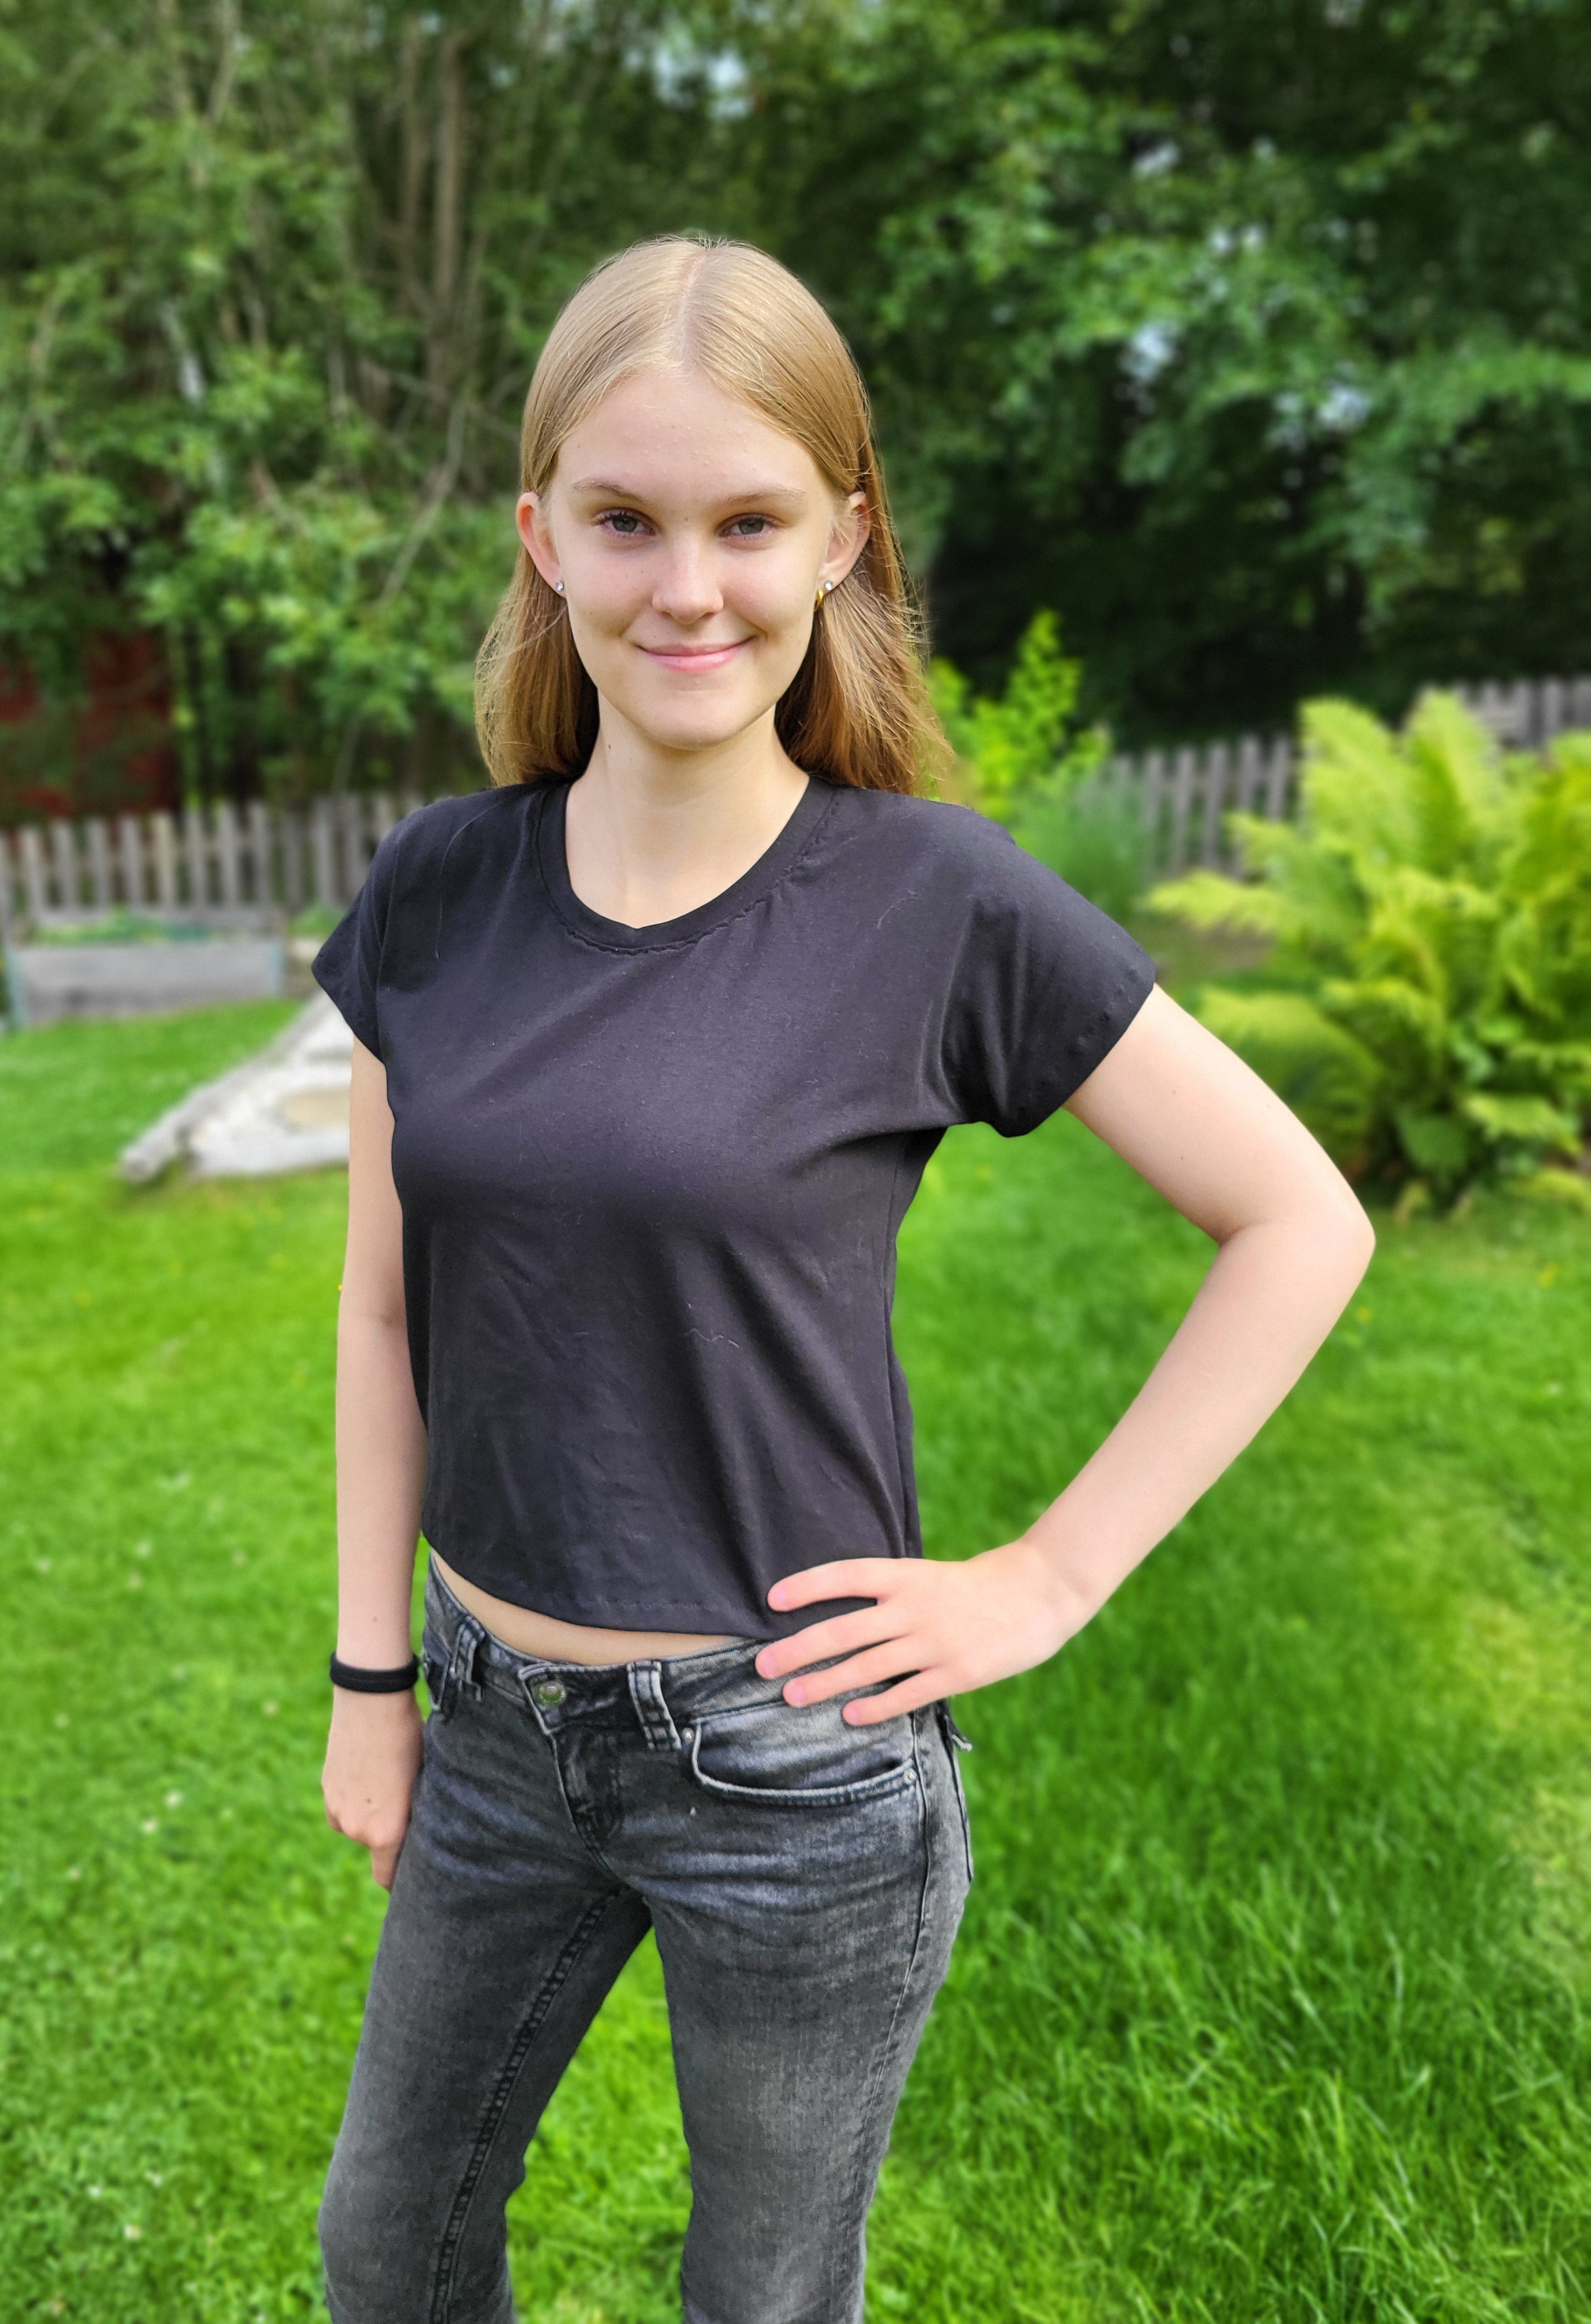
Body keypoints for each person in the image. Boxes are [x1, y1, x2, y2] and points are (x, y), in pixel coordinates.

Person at [310, 235, 1374, 2324]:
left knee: (766, 2298)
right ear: (541, 537)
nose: (684, 586)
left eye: (748, 521)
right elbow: (379, 1311)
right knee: (388, 2249)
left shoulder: (931, 902)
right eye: (624, 520)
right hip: (492, 1731)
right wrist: (369, 1684)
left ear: (843, 538)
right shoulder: (440, 888)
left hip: (790, 1760)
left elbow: (1299, 1219)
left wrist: (1047, 1578)